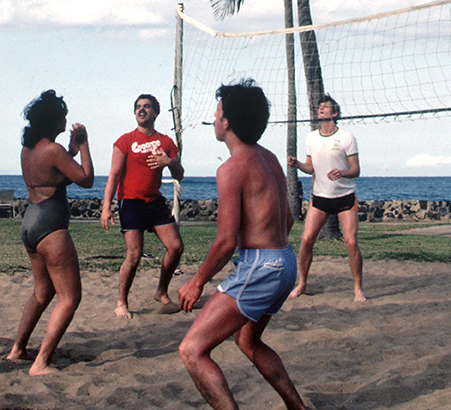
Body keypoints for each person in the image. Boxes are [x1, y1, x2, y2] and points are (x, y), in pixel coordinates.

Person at [178, 80, 306, 410]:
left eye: (218, 111)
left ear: (227, 122)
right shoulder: (270, 159)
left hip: (262, 266)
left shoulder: (232, 168)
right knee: (248, 340)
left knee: (192, 350)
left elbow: (224, 242)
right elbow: (289, 221)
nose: (214, 117)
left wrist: (196, 282)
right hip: (285, 261)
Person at [6, 90, 94, 374]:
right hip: (50, 227)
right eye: (63, 117)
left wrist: (69, 148)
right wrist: (83, 146)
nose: (65, 121)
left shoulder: (30, 150)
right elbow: (85, 179)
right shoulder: (52, 151)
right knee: (70, 298)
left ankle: (17, 349)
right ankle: (41, 362)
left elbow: (54, 172)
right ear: (54, 121)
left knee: (42, 293)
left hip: (30, 223)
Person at [100, 93, 185, 318]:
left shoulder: (165, 141)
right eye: (138, 107)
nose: (142, 110)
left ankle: (161, 291)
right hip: (131, 202)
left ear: (155, 112)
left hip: (155, 202)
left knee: (176, 247)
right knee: (134, 255)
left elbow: (180, 174)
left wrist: (169, 162)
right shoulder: (125, 140)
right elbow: (114, 175)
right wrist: (106, 206)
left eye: (147, 107)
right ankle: (121, 302)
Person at [286, 94, 366, 301]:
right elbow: (310, 168)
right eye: (319, 106)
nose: (320, 109)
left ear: (335, 113)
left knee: (350, 242)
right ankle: (302, 284)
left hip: (345, 197)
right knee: (306, 240)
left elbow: (356, 170)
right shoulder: (311, 137)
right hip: (320, 197)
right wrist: (297, 165)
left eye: (325, 106)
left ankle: (358, 289)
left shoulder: (346, 137)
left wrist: (342, 172)